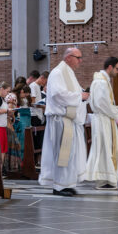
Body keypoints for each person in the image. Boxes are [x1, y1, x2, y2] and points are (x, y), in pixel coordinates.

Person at [38, 47, 89, 195]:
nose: (80, 61)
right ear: (68, 57)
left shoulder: (69, 73)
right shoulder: (58, 72)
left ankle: (67, 183)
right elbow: (57, 94)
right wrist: (80, 96)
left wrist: (85, 95)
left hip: (68, 120)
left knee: (69, 154)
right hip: (60, 120)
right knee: (62, 153)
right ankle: (58, 186)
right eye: (77, 57)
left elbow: (78, 92)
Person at [87, 57, 118, 189]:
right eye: (117, 69)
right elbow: (103, 104)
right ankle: (106, 179)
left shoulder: (103, 81)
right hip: (103, 119)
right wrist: (116, 112)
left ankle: (105, 179)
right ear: (110, 67)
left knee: (105, 148)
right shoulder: (101, 82)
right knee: (105, 148)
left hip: (104, 119)